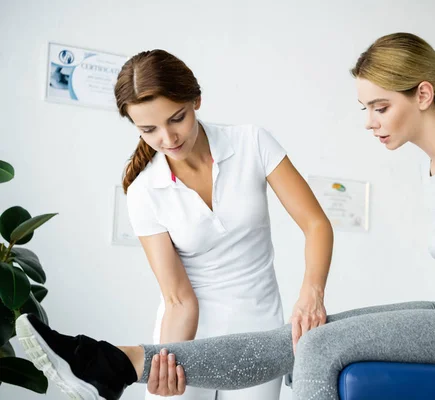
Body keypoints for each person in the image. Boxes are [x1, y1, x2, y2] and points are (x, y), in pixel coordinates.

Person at [16, 32, 435, 400]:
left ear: (424, 94)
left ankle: (116, 363)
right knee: (308, 337)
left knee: (317, 348)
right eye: (364, 107)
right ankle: (114, 362)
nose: (369, 121)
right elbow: (177, 299)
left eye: (380, 107)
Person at [115, 49, 334, 400]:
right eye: (148, 129)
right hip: (187, 338)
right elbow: (178, 300)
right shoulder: (143, 192)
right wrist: (167, 360)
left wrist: (312, 294)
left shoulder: (252, 143)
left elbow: (316, 223)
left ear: (196, 99)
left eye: (177, 118)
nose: (168, 138)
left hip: (260, 334)